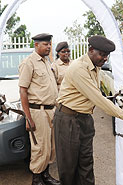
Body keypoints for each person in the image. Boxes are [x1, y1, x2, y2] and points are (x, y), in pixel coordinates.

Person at [53, 35, 123, 185]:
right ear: (91, 50)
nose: (105, 58)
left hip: (84, 119)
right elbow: (98, 99)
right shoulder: (79, 68)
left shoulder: (96, 67)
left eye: (107, 55)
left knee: (86, 164)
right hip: (68, 120)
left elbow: (102, 92)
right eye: (102, 54)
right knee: (69, 168)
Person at [19, 33, 60, 185]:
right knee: (40, 147)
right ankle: (36, 180)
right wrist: (28, 118)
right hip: (38, 111)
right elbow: (23, 90)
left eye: (49, 44)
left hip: (51, 110)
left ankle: (46, 176)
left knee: (51, 146)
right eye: (45, 44)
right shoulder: (29, 63)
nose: (49, 47)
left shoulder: (47, 62)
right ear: (36, 45)